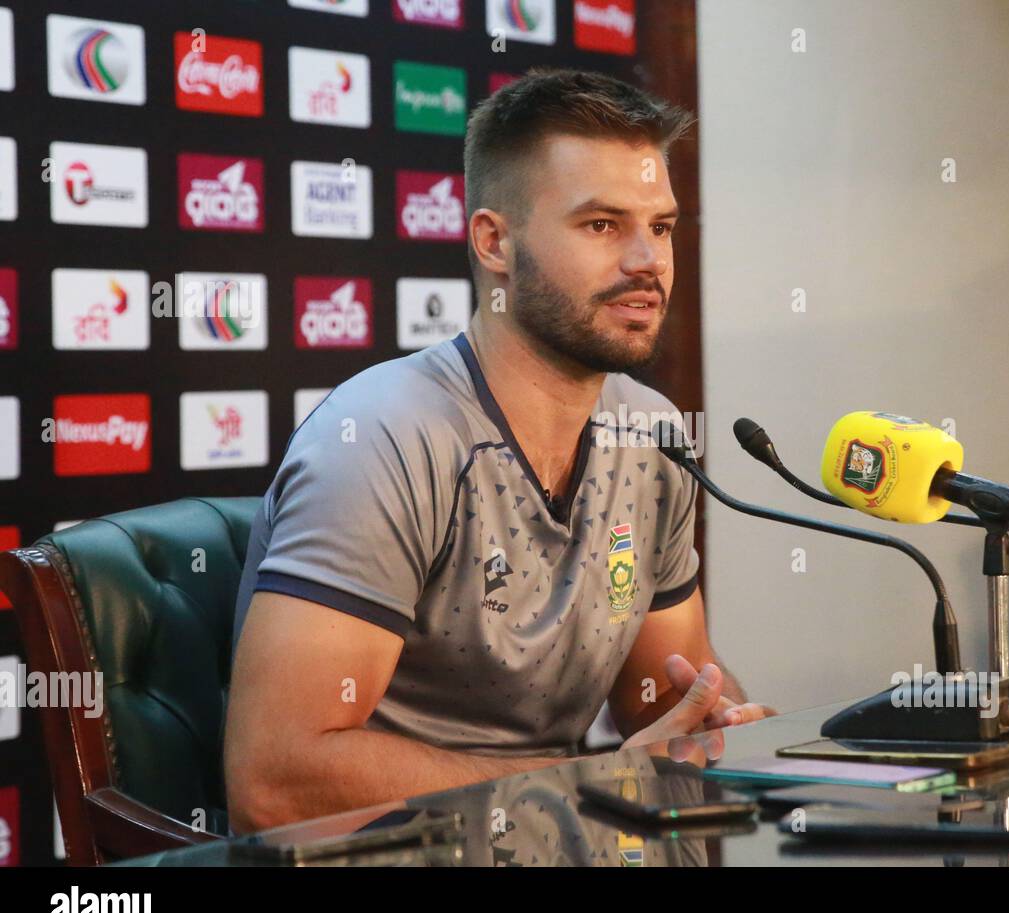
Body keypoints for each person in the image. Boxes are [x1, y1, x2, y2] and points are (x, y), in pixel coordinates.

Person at [223, 68, 775, 835]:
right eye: (603, 225)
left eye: (662, 226)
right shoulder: (383, 439)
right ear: (495, 242)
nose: (648, 261)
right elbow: (277, 783)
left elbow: (663, 702)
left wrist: (725, 736)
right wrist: (592, 782)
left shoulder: (652, 435)